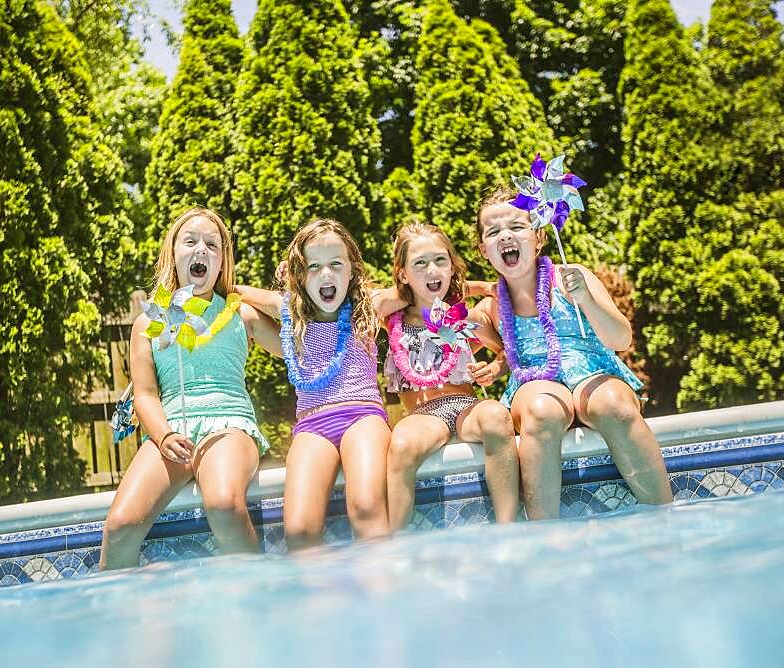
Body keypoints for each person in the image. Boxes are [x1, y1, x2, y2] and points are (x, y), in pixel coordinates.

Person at [474, 188, 673, 519]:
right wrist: (490, 366)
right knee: (541, 411)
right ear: (484, 250)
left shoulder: (570, 278)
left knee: (615, 405)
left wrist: (587, 301)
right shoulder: (492, 307)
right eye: (493, 231)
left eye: (517, 227)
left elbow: (621, 338)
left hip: (592, 371)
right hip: (537, 381)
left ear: (539, 236)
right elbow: (452, 324)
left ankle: (665, 518)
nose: (505, 235)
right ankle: (546, 538)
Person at [100, 208, 282, 570]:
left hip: (229, 425)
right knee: (119, 527)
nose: (201, 249)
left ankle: (258, 599)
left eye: (212, 245)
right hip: (171, 432)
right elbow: (146, 395)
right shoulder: (148, 324)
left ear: (220, 263)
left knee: (224, 504)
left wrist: (256, 295)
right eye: (191, 241)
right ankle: (123, 615)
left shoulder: (238, 315)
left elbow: (298, 351)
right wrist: (164, 434)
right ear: (174, 254)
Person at [238, 219, 400, 550]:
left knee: (367, 507)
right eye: (314, 267)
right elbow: (235, 294)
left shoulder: (367, 306)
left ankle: (382, 589)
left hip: (362, 417)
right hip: (313, 425)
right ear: (299, 274)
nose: (326, 274)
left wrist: (486, 290)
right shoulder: (289, 312)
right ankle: (319, 599)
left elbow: (425, 285)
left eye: (335, 264)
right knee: (299, 530)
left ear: (352, 271)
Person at [383, 222, 520, 531]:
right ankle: (396, 541)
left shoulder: (466, 317)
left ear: (451, 266)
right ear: (402, 273)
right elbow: (364, 299)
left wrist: (495, 368)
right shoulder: (392, 321)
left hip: (465, 407)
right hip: (424, 414)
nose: (433, 270)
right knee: (402, 443)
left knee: (497, 417)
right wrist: (480, 286)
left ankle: (510, 528)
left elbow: (507, 353)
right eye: (420, 263)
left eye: (440, 260)